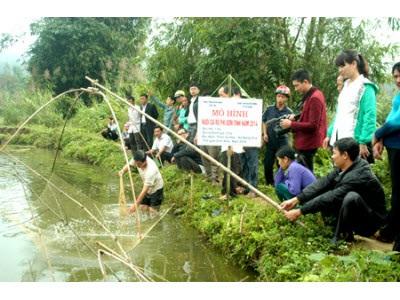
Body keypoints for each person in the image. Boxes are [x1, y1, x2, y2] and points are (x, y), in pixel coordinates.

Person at [280, 137, 386, 243]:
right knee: (325, 188)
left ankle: (342, 234)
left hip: (369, 223)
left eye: (334, 153)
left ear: (345, 155)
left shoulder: (358, 176)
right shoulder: (347, 165)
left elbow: (331, 197)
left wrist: (299, 211)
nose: (332, 156)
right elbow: (322, 183)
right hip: (357, 212)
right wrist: (296, 199)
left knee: (350, 197)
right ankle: (333, 227)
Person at [324, 50, 378, 164]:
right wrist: (329, 134)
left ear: (354, 64)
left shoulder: (366, 87)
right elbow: (340, 114)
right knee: (340, 177)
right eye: (339, 67)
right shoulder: (346, 86)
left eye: (343, 66)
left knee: (356, 178)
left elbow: (370, 115)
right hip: (339, 140)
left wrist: (363, 141)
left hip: (355, 142)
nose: (340, 70)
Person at [373, 61, 400, 251]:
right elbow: (391, 118)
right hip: (394, 147)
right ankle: (390, 232)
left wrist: (378, 134)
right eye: (395, 77)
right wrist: (381, 138)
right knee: (397, 191)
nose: (398, 80)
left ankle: (394, 237)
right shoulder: (398, 96)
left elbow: (396, 122)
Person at [280, 69, 327, 172]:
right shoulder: (313, 94)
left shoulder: (315, 98)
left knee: (305, 173)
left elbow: (313, 125)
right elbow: (310, 114)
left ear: (305, 82)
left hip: (308, 143)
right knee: (304, 171)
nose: (296, 89)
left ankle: (309, 188)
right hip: (305, 141)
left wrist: (291, 124)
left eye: (297, 85)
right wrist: (296, 117)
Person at [262, 85, 293, 185]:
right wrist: (264, 134)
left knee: (281, 164)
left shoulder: (289, 112)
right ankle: (269, 183)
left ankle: (280, 182)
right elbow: (263, 121)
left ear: (286, 98)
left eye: (283, 97)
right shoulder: (269, 109)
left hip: (282, 141)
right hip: (270, 141)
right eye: (279, 96)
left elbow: (291, 128)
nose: (280, 98)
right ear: (276, 96)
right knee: (268, 163)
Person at [118, 150, 164, 216]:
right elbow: (129, 165)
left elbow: (144, 191)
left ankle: (157, 221)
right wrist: (122, 171)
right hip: (147, 187)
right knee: (143, 208)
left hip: (156, 189)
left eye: (139, 164)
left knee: (153, 212)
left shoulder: (151, 171)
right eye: (136, 163)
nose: (137, 165)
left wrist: (135, 205)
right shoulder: (137, 159)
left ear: (145, 161)